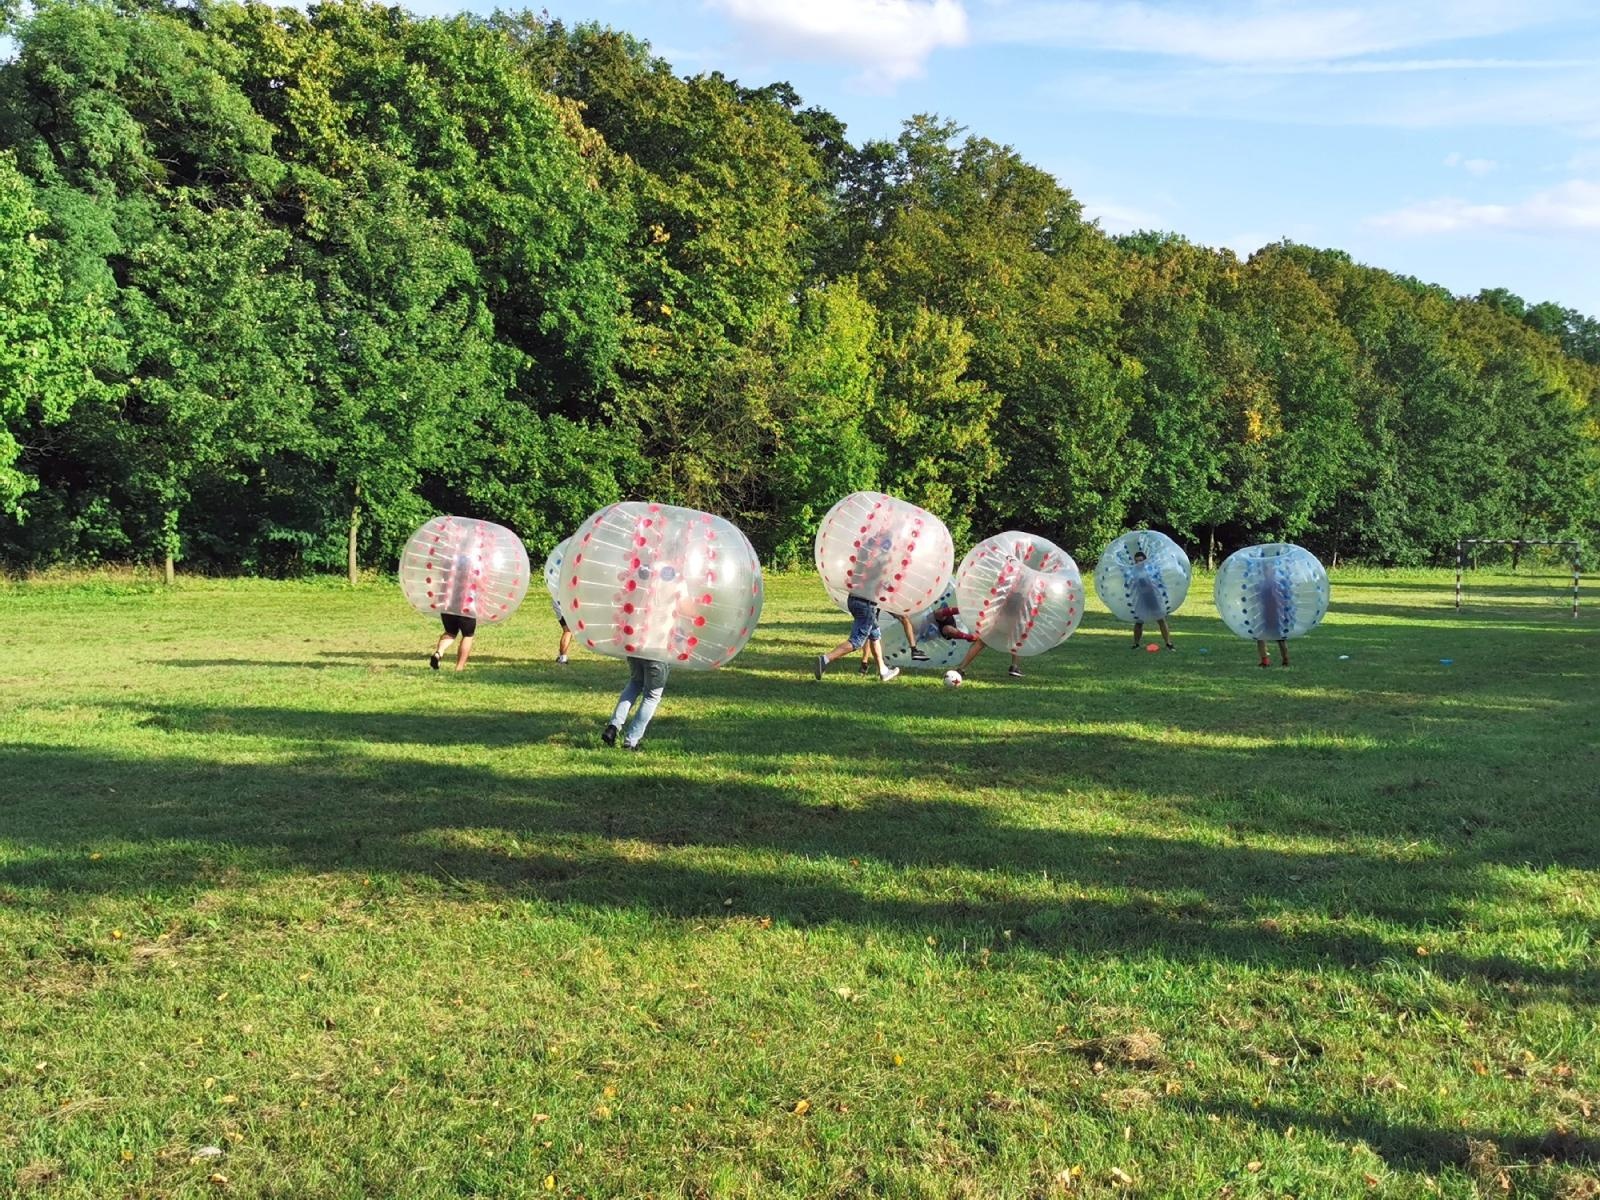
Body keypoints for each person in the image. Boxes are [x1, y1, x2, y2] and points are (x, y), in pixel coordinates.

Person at [817, 593, 900, 682]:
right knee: (857, 641)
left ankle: (883, 671)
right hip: (866, 604)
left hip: (853, 600)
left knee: (875, 635)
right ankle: (825, 659)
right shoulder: (875, 578)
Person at [602, 656, 670, 750]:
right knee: (651, 696)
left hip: (636, 652)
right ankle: (631, 741)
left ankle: (613, 727)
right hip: (657, 656)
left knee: (634, 684)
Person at [1128, 550, 1176, 651]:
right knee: (1139, 622)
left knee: (1161, 620)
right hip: (1141, 599)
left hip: (1153, 598)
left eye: (1140, 561)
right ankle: (1136, 644)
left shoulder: (1151, 570)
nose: (1138, 563)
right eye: (1136, 561)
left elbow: (1158, 583)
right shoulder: (1133, 572)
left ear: (1145, 561)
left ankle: (1168, 643)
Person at [859, 613, 930, 673]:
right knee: (904, 618)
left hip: (877, 601)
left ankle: (864, 663)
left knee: (870, 628)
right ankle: (914, 650)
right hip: (882, 600)